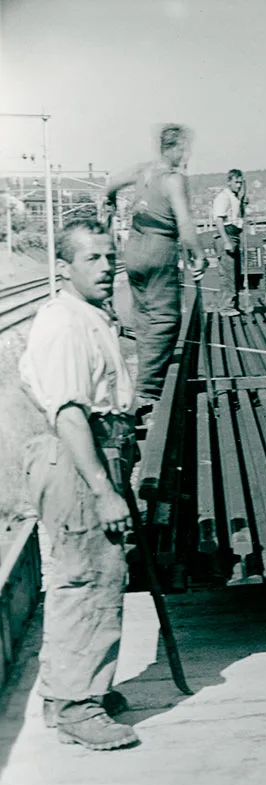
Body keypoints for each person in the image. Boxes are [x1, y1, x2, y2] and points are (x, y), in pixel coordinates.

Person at [20, 220, 139, 751]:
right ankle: (75, 707)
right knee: (87, 580)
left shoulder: (91, 316)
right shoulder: (64, 322)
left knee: (92, 575)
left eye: (110, 256)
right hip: (76, 457)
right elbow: (69, 413)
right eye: (92, 259)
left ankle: (72, 691)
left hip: (91, 451)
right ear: (64, 269)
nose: (107, 266)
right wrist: (103, 489)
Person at [104, 124, 207, 421]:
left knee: (145, 314)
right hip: (159, 248)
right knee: (165, 318)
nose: (187, 155)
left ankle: (143, 380)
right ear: (176, 148)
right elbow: (185, 224)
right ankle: (148, 392)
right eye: (185, 149)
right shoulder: (173, 179)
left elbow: (110, 182)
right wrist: (197, 254)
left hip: (135, 249)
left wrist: (110, 201)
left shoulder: (143, 170)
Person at [211, 168, 246, 316]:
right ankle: (226, 307)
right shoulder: (223, 197)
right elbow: (218, 220)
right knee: (228, 273)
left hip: (234, 234)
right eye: (236, 182)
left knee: (235, 273)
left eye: (240, 182)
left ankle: (233, 305)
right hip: (227, 234)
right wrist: (226, 241)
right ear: (229, 182)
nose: (238, 185)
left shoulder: (235, 197)